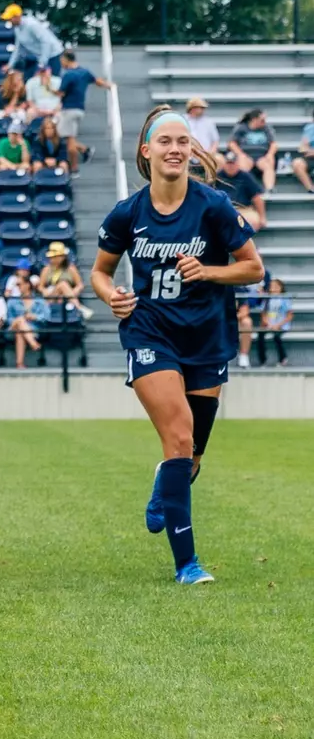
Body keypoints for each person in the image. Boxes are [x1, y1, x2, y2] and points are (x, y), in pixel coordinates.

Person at [91, 105, 263, 585]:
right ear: (147, 152)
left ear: (191, 151)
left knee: (192, 457)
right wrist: (114, 298)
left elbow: (253, 268)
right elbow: (100, 273)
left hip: (207, 336)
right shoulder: (128, 212)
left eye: (182, 142)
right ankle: (187, 564)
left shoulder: (213, 207)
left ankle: (163, 485)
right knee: (180, 436)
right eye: (165, 141)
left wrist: (207, 270)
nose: (174, 149)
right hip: (150, 333)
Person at [56, 50, 109, 170]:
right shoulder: (84, 72)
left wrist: (48, 88)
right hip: (79, 110)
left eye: (61, 60)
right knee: (63, 136)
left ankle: (74, 169)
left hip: (68, 110)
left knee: (69, 140)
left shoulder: (68, 74)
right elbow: (98, 81)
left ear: (65, 59)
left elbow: (60, 93)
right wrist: (109, 85)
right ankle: (85, 149)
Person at [3, 4, 63, 77]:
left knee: (53, 81)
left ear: (17, 17)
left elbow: (46, 42)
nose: (9, 21)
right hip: (41, 58)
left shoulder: (31, 25)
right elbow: (18, 49)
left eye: (10, 18)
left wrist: (42, 62)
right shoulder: (17, 29)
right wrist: (10, 65)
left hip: (53, 55)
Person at [215, 151, 267, 230]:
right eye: (228, 163)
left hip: (244, 210)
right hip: (223, 210)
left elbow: (257, 198)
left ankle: (244, 241)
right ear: (224, 164)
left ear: (237, 164)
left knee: (253, 221)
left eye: (233, 163)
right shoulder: (217, 177)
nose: (230, 166)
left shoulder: (246, 176)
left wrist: (262, 217)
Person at [229, 109, 278, 192]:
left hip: (262, 156)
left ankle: (269, 188)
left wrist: (269, 154)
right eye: (262, 120)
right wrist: (240, 154)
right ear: (254, 119)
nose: (264, 122)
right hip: (246, 155)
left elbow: (273, 144)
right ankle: (243, 189)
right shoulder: (241, 127)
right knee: (243, 165)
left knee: (269, 163)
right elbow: (232, 143)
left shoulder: (267, 128)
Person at [38, 241, 90, 320]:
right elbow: (40, 287)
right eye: (52, 257)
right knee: (62, 284)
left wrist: (73, 292)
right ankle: (80, 308)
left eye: (56, 256)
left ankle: (75, 307)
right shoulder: (46, 269)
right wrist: (45, 291)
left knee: (63, 286)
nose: (53, 259)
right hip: (51, 296)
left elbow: (80, 285)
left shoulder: (71, 268)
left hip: (66, 297)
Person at [5, 272, 46, 369]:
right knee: (20, 320)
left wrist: (34, 317)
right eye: (16, 285)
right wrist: (18, 321)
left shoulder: (39, 301)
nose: (17, 287)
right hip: (12, 328)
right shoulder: (12, 301)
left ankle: (20, 364)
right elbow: (8, 319)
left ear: (28, 285)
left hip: (33, 330)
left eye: (19, 284)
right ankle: (33, 343)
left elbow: (46, 317)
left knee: (20, 331)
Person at [257, 278, 292, 367]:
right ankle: (263, 361)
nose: (274, 288)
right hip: (269, 324)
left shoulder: (285, 299)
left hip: (281, 325)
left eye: (276, 286)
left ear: (281, 288)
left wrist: (278, 325)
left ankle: (282, 358)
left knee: (277, 337)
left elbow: (289, 315)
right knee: (260, 336)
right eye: (272, 286)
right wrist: (269, 324)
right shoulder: (267, 299)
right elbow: (263, 314)